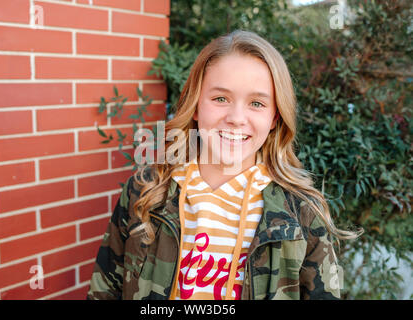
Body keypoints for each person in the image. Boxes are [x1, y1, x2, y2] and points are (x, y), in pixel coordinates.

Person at [86, 30, 362, 300]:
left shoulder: (301, 212)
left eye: (256, 103)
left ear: (275, 117)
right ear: (195, 105)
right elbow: (105, 290)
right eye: (220, 99)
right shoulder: (146, 191)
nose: (236, 118)